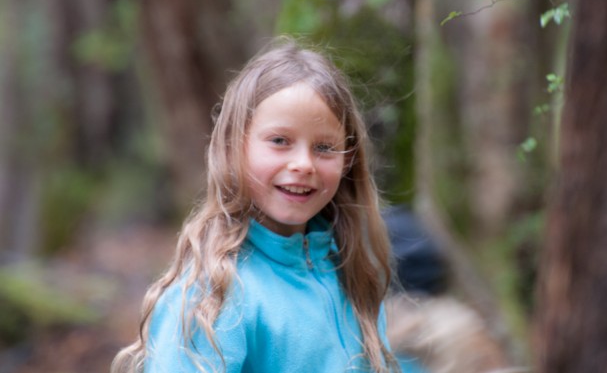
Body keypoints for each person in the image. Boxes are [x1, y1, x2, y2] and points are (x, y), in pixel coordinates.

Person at [111, 38, 406, 373]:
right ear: (233, 147)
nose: (303, 164)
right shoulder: (210, 299)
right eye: (280, 141)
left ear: (348, 160)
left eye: (324, 147)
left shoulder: (355, 276)